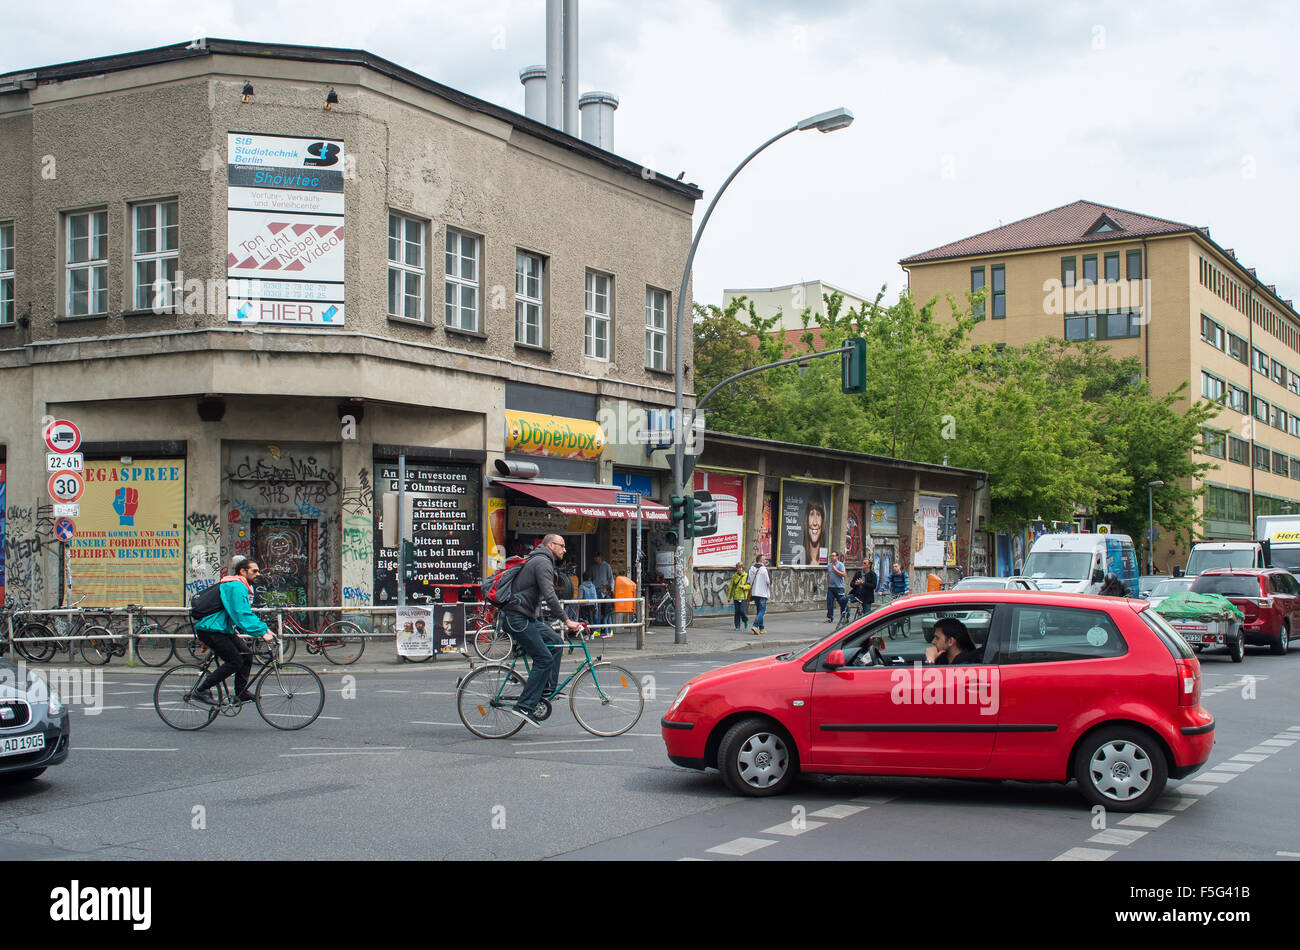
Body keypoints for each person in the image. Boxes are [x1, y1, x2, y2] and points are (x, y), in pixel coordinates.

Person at [501, 534, 582, 728]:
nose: (564, 550)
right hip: (516, 618)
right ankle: (524, 705)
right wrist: (566, 620)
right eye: (562, 546)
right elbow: (549, 594)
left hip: (526, 617)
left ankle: (546, 690)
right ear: (551, 545)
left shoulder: (540, 560)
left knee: (555, 642)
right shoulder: (542, 563)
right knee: (544, 659)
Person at [192, 557, 275, 705]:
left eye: (258, 571)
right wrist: (262, 632)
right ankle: (202, 690)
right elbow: (241, 614)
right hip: (211, 629)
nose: (258, 574)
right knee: (235, 661)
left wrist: (264, 628)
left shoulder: (240, 585)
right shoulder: (236, 586)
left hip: (221, 629)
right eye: (254, 571)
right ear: (243, 571)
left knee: (247, 655)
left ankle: (241, 693)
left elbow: (242, 613)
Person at [747, 554, 772, 635]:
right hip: (762, 593)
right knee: (762, 611)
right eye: (764, 559)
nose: (765, 561)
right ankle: (755, 625)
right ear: (761, 560)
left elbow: (748, 581)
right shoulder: (764, 569)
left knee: (759, 611)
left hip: (754, 593)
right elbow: (769, 582)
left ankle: (762, 628)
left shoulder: (751, 569)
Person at [589, 551, 615, 629]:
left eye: (597, 557)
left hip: (604, 591)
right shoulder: (593, 567)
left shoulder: (607, 566)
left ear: (600, 557)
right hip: (595, 590)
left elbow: (611, 578)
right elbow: (590, 578)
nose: (595, 559)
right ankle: (598, 629)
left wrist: (610, 590)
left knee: (607, 611)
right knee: (597, 610)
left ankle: (609, 630)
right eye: (595, 557)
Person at [802, 498, 827, 566]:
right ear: (807, 520)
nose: (815, 522)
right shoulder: (799, 561)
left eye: (818, 515)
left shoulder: (828, 561)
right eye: (812, 514)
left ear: (823, 521)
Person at [726, 562, 751, 631]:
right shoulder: (734, 576)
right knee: (737, 612)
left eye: (740, 568)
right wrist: (729, 597)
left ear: (742, 568)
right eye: (738, 568)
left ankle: (745, 620)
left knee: (742, 610)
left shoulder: (746, 576)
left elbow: (749, 586)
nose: (739, 569)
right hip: (736, 597)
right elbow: (731, 587)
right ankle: (737, 626)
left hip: (743, 597)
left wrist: (744, 587)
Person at [826, 551, 848, 623]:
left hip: (839, 587)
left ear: (837, 557)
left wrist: (835, 570)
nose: (832, 557)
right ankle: (830, 617)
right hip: (831, 587)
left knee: (842, 602)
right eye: (831, 556)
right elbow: (828, 575)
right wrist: (828, 584)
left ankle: (845, 616)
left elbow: (843, 574)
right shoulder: (829, 565)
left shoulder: (840, 565)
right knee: (829, 603)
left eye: (833, 556)